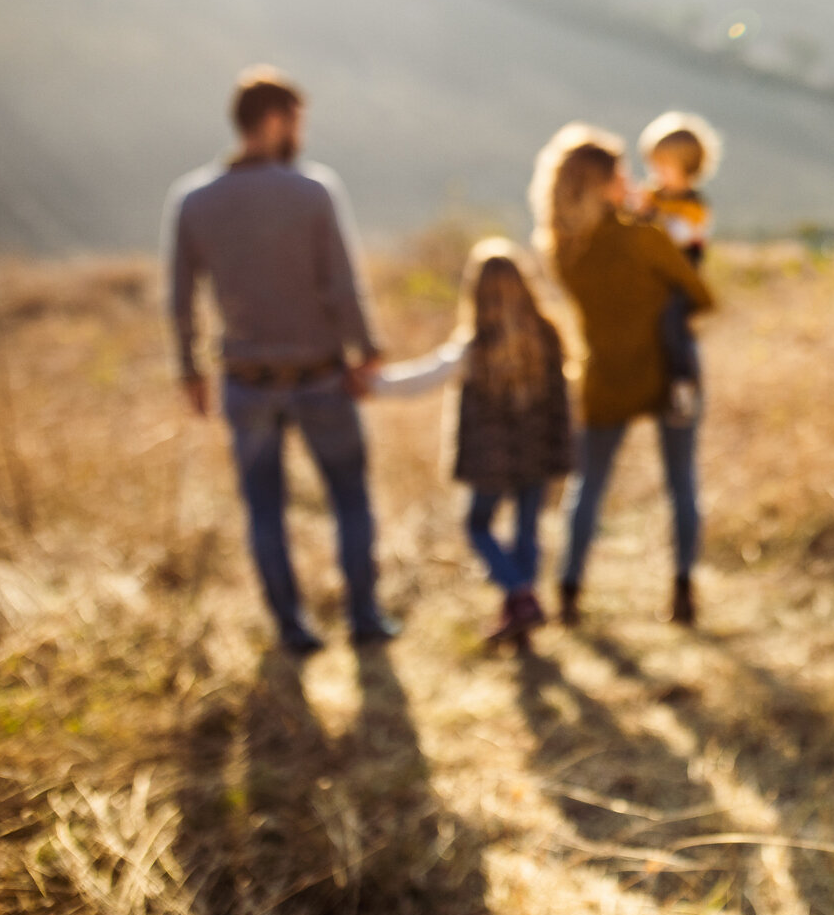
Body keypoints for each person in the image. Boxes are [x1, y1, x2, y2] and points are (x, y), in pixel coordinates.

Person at [164, 65, 398, 654]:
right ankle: (364, 617)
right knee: (349, 497)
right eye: (297, 121)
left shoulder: (193, 199)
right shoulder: (312, 190)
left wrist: (189, 370)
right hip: (319, 374)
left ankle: (292, 628)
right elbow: (342, 285)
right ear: (274, 121)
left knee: (263, 508)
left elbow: (179, 295)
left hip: (244, 381)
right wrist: (366, 350)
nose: (301, 135)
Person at [531, 123, 716, 627]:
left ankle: (568, 591)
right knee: (681, 481)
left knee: (587, 485)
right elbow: (701, 294)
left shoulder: (562, 250)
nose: (631, 178)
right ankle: (682, 589)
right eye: (621, 173)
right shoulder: (643, 239)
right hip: (669, 369)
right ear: (603, 183)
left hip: (605, 373)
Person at [376, 239, 575, 645]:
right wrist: (562, 449)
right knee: (526, 531)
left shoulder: (475, 345)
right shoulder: (547, 335)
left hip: (491, 461)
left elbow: (424, 378)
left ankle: (519, 596)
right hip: (537, 453)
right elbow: (563, 401)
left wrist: (373, 384)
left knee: (477, 525)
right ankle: (520, 606)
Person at [634, 111, 723, 426]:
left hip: (680, 283)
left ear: (687, 167)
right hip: (652, 281)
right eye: (652, 164)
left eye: (663, 165)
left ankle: (682, 385)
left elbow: (680, 236)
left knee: (672, 324)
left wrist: (651, 216)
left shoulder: (695, 205)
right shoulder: (653, 197)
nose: (655, 172)